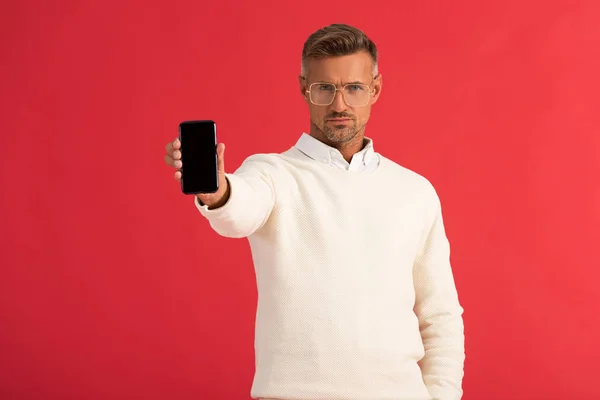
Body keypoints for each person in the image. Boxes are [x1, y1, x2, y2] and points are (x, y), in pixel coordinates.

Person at [165, 23, 465, 400]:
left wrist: (442, 396)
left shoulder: (415, 191)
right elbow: (239, 208)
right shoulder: (272, 173)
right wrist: (217, 191)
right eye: (325, 88)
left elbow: (440, 314)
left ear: (375, 89)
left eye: (353, 88)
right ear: (304, 88)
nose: (339, 105)